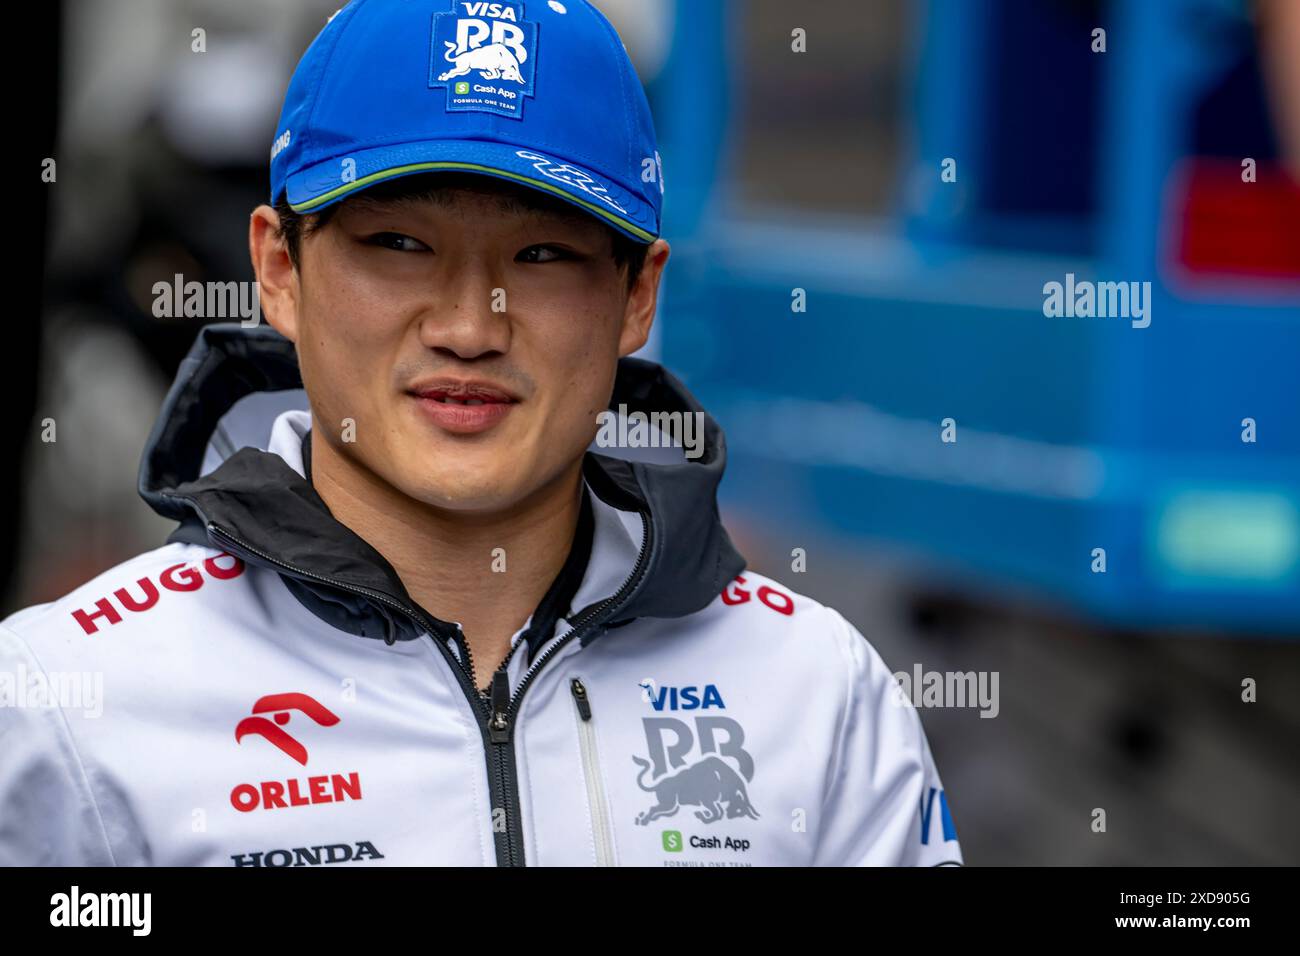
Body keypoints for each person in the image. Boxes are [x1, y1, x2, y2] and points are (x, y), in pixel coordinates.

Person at [0, 0, 962, 867]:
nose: (468, 325)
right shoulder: (64, 701)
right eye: (399, 245)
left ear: (638, 296)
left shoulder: (818, 693)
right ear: (278, 270)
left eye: (542, 255)